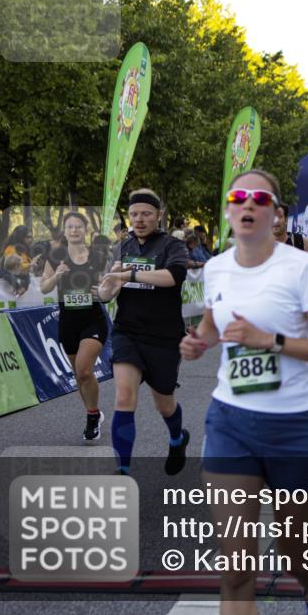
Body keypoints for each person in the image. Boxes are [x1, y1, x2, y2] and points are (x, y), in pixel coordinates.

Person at [179, 169, 308, 615]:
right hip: (231, 422)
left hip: (296, 425)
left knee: (295, 552)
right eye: (239, 197)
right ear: (228, 210)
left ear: (275, 213)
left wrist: (268, 340)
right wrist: (199, 341)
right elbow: (212, 324)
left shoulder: (301, 267)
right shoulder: (216, 268)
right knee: (235, 568)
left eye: (260, 198)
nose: (248, 203)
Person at [97, 188, 190, 476]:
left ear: (158, 215)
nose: (139, 219)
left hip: (164, 336)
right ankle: (122, 471)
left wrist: (130, 274)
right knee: (124, 396)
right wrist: (107, 287)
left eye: (146, 214)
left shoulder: (172, 245)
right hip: (127, 332)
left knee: (164, 405)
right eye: (134, 214)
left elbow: (174, 276)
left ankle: (177, 438)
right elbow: (107, 293)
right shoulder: (121, 247)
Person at [39, 212, 109, 441]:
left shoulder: (97, 257)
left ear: (85, 230)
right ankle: (93, 412)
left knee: (84, 370)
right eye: (70, 226)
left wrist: (102, 291)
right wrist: (57, 275)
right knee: (80, 376)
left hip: (93, 320)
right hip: (68, 322)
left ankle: (91, 418)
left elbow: (108, 287)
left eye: (78, 226)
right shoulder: (55, 258)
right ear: (65, 231)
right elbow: (44, 288)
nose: (74, 230)